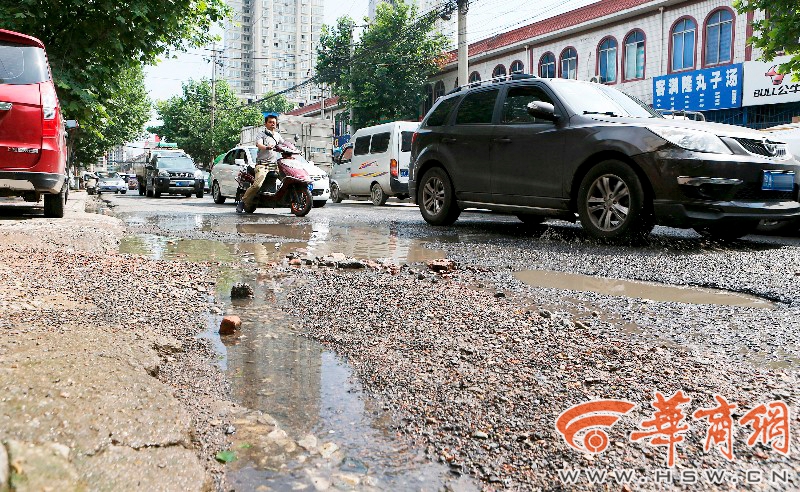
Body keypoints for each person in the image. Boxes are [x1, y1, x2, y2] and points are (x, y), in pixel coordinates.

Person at [238, 114, 284, 213]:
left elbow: (284, 144)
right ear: (265, 124)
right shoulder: (261, 134)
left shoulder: (277, 135)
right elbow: (259, 144)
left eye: (274, 122)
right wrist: (266, 147)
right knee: (257, 185)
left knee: (287, 179)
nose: (273, 124)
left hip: (274, 165)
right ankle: (242, 202)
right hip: (262, 165)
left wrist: (293, 149)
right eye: (270, 122)